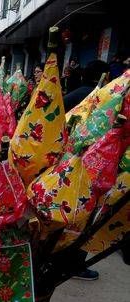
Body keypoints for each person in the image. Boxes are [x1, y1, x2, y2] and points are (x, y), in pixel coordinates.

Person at [61, 59, 111, 281]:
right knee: (85, 215)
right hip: (92, 166)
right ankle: (74, 265)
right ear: (105, 77)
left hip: (67, 160)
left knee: (66, 210)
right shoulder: (106, 101)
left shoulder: (72, 95)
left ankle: (59, 257)